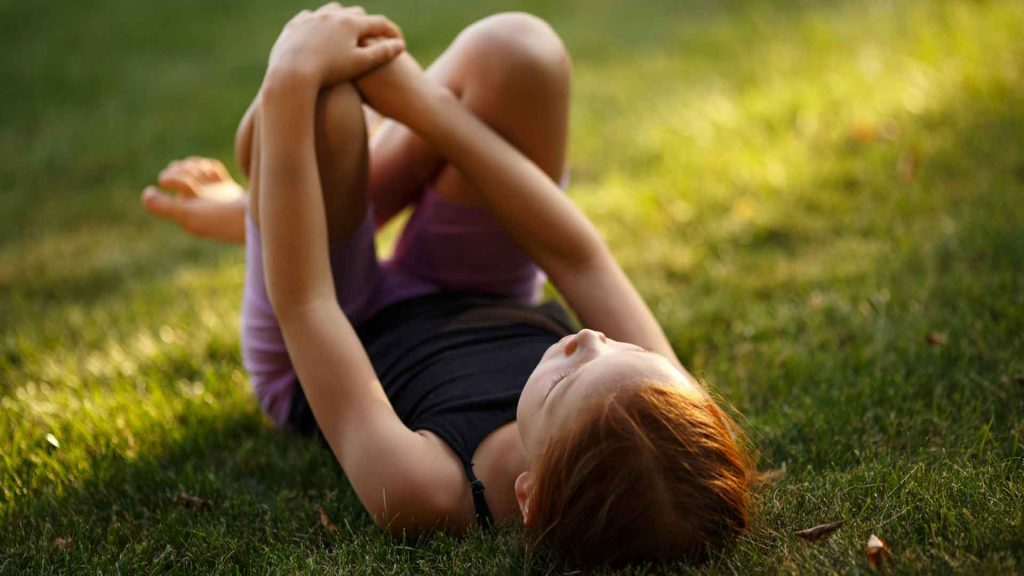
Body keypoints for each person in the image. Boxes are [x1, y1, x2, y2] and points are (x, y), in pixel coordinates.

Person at [142, 5, 751, 567]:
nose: (592, 336)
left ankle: (269, 212)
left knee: (323, 108)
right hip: (473, 291)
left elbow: (306, 304)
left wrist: (290, 76)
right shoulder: (658, 408)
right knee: (520, 52)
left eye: (569, 374)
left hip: (337, 325)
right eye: (631, 350)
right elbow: (577, 256)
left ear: (529, 496)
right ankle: (276, 203)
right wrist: (418, 101)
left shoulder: (425, 492)